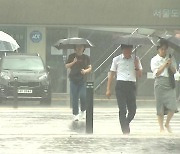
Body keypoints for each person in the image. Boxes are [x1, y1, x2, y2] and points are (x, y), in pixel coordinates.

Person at [106, 44, 143, 134]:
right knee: (122, 109)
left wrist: (137, 66)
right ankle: (125, 130)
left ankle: (125, 123)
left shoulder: (136, 59)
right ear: (122, 50)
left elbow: (140, 75)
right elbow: (111, 74)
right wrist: (108, 89)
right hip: (121, 85)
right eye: (126, 50)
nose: (128, 52)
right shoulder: (116, 59)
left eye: (130, 50)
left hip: (131, 85)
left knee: (133, 110)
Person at [151, 39, 178, 133]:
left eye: (165, 49)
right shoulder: (154, 59)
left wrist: (170, 65)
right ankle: (161, 127)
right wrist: (164, 65)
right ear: (158, 49)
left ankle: (167, 123)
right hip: (159, 83)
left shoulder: (171, 57)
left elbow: (175, 71)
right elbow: (156, 73)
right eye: (162, 49)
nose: (164, 51)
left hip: (169, 82)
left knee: (173, 106)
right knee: (160, 106)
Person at [65, 44, 92, 121]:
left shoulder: (86, 57)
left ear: (83, 48)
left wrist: (85, 71)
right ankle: (75, 114)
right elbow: (66, 66)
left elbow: (90, 67)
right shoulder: (71, 56)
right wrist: (73, 62)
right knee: (75, 97)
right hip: (73, 79)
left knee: (83, 95)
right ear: (75, 48)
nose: (79, 48)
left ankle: (83, 110)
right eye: (77, 47)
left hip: (82, 80)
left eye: (81, 47)